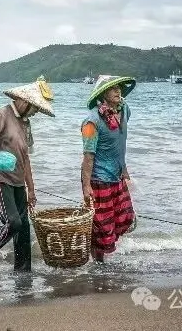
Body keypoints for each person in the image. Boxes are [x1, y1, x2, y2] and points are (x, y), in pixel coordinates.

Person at [0, 76, 55, 277]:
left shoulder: (26, 123)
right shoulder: (3, 113)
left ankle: (23, 272)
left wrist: (31, 189)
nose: (36, 112)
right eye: (36, 107)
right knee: (13, 222)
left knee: (24, 228)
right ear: (25, 102)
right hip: (1, 178)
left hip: (18, 180)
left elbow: (25, 159)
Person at [81, 75, 137, 261]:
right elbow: (88, 156)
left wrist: (124, 169)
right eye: (113, 88)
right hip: (99, 180)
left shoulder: (125, 110)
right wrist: (86, 186)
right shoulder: (91, 122)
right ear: (102, 94)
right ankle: (97, 262)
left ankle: (101, 256)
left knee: (125, 218)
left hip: (117, 176)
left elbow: (120, 143)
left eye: (119, 87)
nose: (118, 90)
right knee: (102, 227)